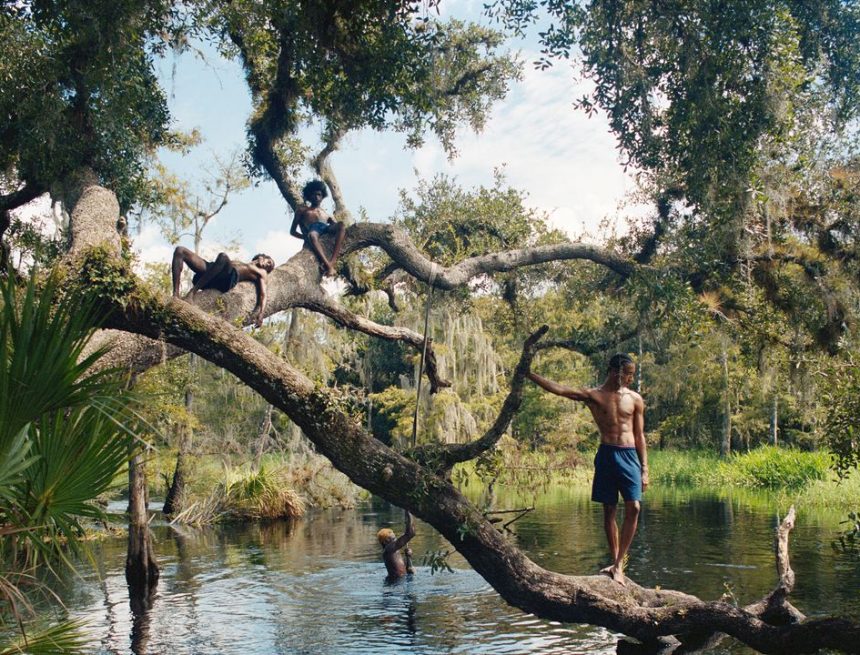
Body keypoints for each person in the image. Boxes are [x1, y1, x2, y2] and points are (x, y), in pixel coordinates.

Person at [527, 353, 648, 585]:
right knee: (609, 511)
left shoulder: (635, 399)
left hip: (630, 455)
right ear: (616, 372)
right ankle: (616, 564)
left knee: (634, 506)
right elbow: (560, 389)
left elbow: (639, 435)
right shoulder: (594, 396)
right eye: (629, 373)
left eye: (633, 374)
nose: (632, 378)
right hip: (607, 454)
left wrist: (645, 469)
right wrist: (529, 374)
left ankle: (619, 561)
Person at [171, 246, 275, 327]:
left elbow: (263, 294)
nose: (268, 266)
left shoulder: (262, 272)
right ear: (263, 257)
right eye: (269, 262)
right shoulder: (244, 262)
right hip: (213, 270)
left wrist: (261, 314)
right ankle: (175, 295)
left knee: (223, 256)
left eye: (269, 268)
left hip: (228, 278)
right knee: (180, 250)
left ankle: (192, 292)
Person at [289, 179, 345, 277]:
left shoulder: (325, 214)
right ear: (309, 196)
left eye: (319, 194)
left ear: (322, 196)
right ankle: (328, 266)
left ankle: (332, 261)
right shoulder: (302, 210)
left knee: (341, 225)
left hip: (326, 228)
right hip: (313, 230)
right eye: (313, 194)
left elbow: (334, 225)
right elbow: (292, 231)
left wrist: (334, 225)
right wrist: (305, 237)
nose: (316, 197)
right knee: (312, 235)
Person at [377, 510, 415, 580]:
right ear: (386, 542)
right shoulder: (389, 549)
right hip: (394, 583)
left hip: (398, 581)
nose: (396, 540)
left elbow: (407, 571)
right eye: (393, 539)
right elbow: (410, 534)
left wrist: (408, 557)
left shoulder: (393, 550)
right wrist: (409, 512)